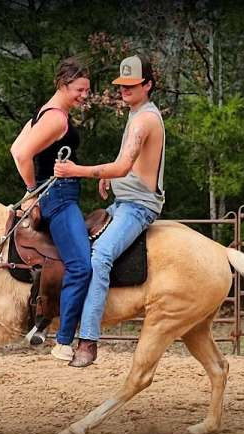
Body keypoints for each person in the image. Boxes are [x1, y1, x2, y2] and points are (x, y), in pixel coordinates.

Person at [54, 54, 165, 367]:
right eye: (122, 84)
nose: (125, 90)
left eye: (132, 85)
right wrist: (108, 178)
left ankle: (88, 340)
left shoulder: (144, 119)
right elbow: (126, 167)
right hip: (126, 200)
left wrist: (79, 171)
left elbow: (123, 165)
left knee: (100, 255)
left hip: (138, 206)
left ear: (148, 85)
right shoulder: (137, 112)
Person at [10, 58, 92, 362]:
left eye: (87, 90)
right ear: (64, 83)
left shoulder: (43, 113)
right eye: (80, 89)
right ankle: (63, 341)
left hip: (57, 193)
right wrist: (33, 191)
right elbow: (21, 153)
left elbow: (15, 147)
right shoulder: (57, 118)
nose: (84, 95)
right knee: (81, 265)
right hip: (59, 196)